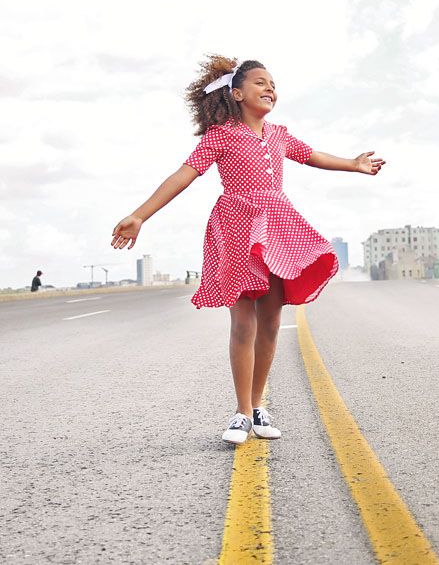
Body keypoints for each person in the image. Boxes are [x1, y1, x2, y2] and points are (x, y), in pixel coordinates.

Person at [111, 56, 385, 445]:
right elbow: (182, 176)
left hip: (276, 225)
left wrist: (354, 164)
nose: (269, 87)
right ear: (237, 93)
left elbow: (315, 157)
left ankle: (258, 406)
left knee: (271, 323)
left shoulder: (279, 135)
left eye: (272, 82)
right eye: (260, 82)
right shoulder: (220, 136)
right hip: (236, 226)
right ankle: (240, 412)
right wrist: (140, 215)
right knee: (243, 324)